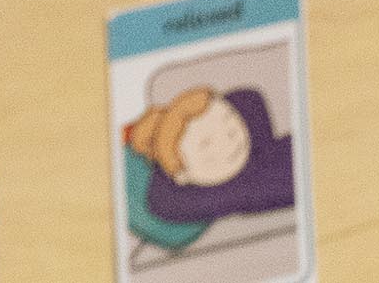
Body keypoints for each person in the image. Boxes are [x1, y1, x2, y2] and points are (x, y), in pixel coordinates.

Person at [122, 82, 297, 249]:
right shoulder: (226, 193)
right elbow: (163, 202)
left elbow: (247, 99)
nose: (230, 136)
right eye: (206, 143)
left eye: (228, 118)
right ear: (182, 175)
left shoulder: (258, 151)